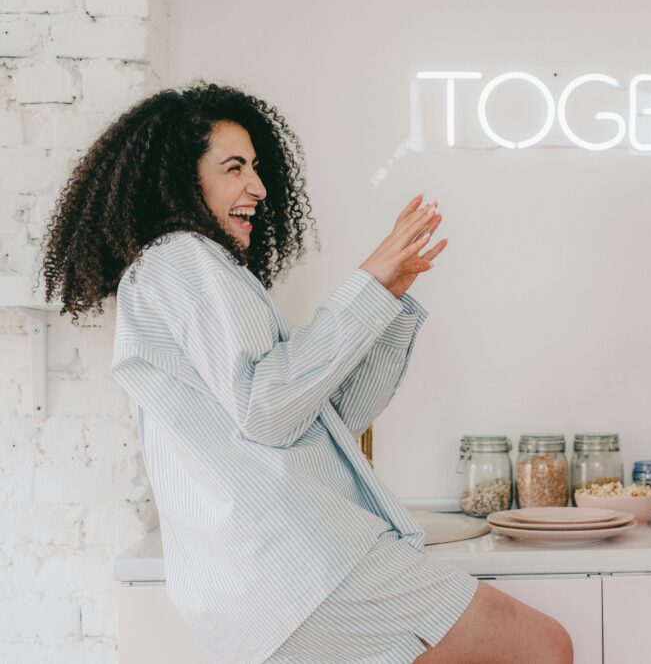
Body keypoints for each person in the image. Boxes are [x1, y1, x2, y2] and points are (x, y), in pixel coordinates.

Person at [41, 83, 572, 664]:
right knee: (542, 646)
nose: (258, 188)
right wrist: (366, 283)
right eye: (234, 167)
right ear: (178, 177)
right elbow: (268, 410)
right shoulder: (181, 258)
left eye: (258, 167)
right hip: (304, 565)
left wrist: (387, 299)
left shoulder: (186, 271)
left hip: (279, 578)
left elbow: (329, 418)